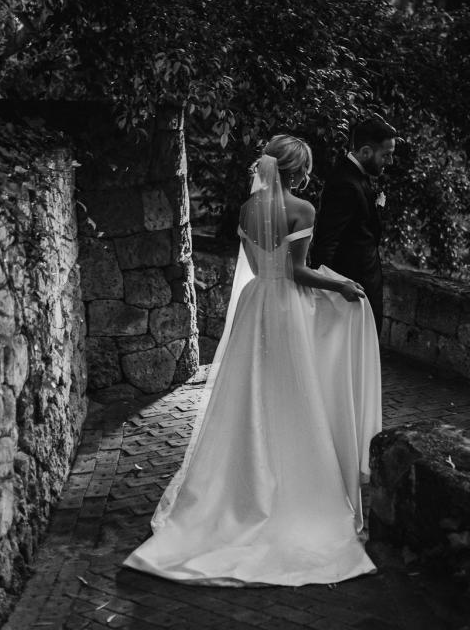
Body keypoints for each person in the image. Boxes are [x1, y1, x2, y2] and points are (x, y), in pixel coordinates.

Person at [122, 135, 382, 586]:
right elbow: (298, 271)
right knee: (292, 394)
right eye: (304, 169)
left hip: (253, 301)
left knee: (250, 393)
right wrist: (340, 286)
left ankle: (239, 488)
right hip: (285, 308)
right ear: (296, 170)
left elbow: (262, 265)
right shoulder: (303, 210)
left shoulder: (246, 210)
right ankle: (292, 484)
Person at [311, 116, 396, 333]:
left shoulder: (359, 177)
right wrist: (328, 292)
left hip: (361, 284)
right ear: (366, 152)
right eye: (386, 155)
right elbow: (326, 242)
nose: (390, 162)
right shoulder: (345, 184)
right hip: (349, 290)